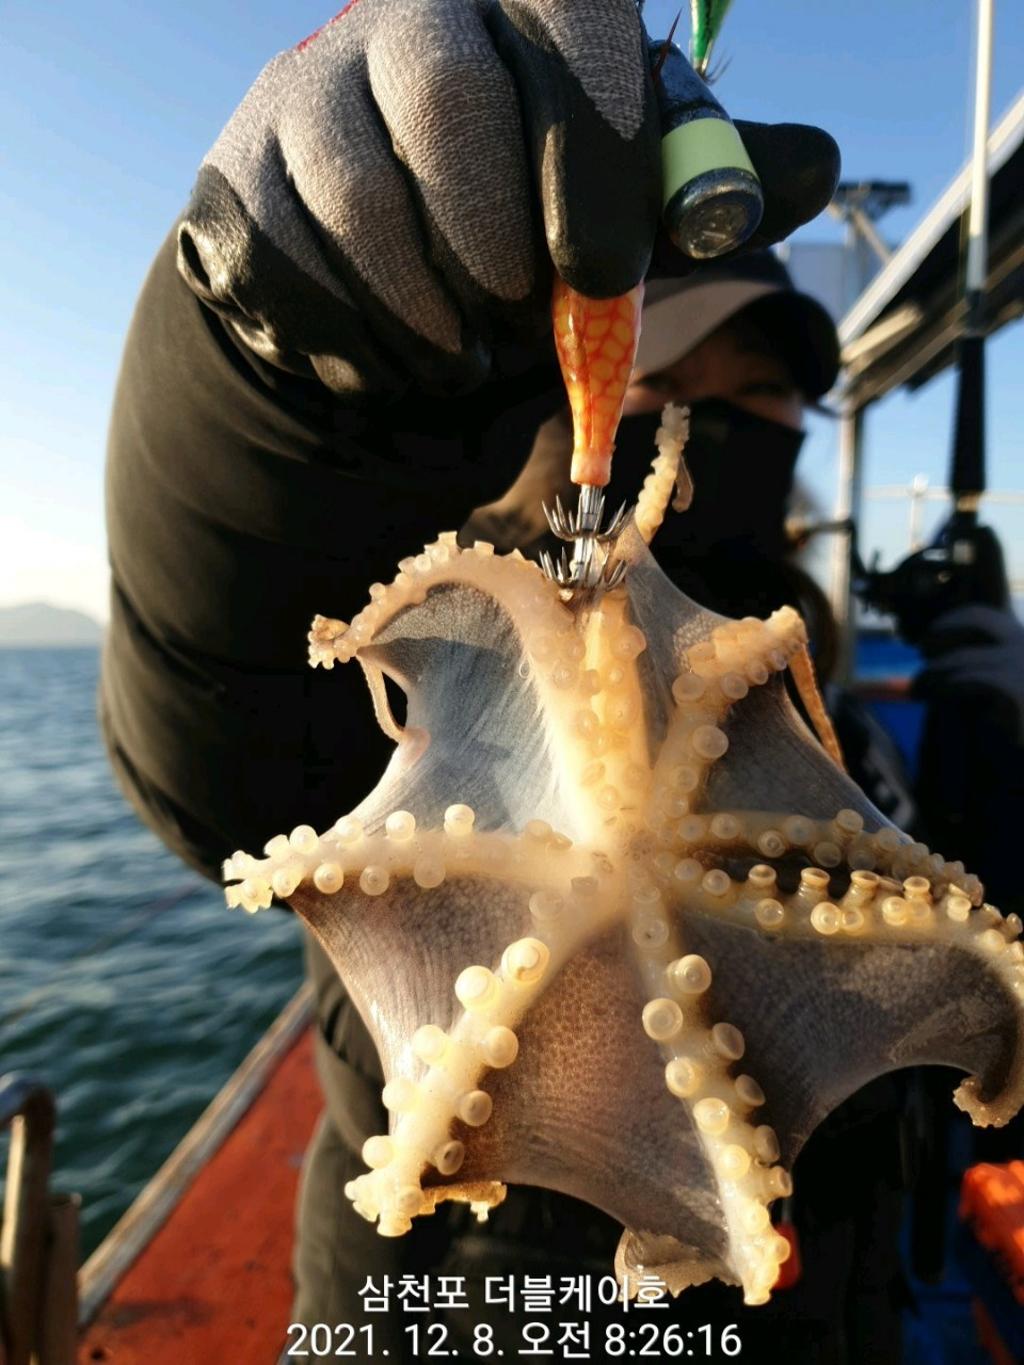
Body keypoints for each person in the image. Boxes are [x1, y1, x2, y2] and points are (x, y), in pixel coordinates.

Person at [99, 2, 944, 1360]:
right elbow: (214, 738)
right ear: (572, 389)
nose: (722, 418)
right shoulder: (444, 663)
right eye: (677, 375)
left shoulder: (819, 690)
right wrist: (256, 387)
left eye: (764, 389)